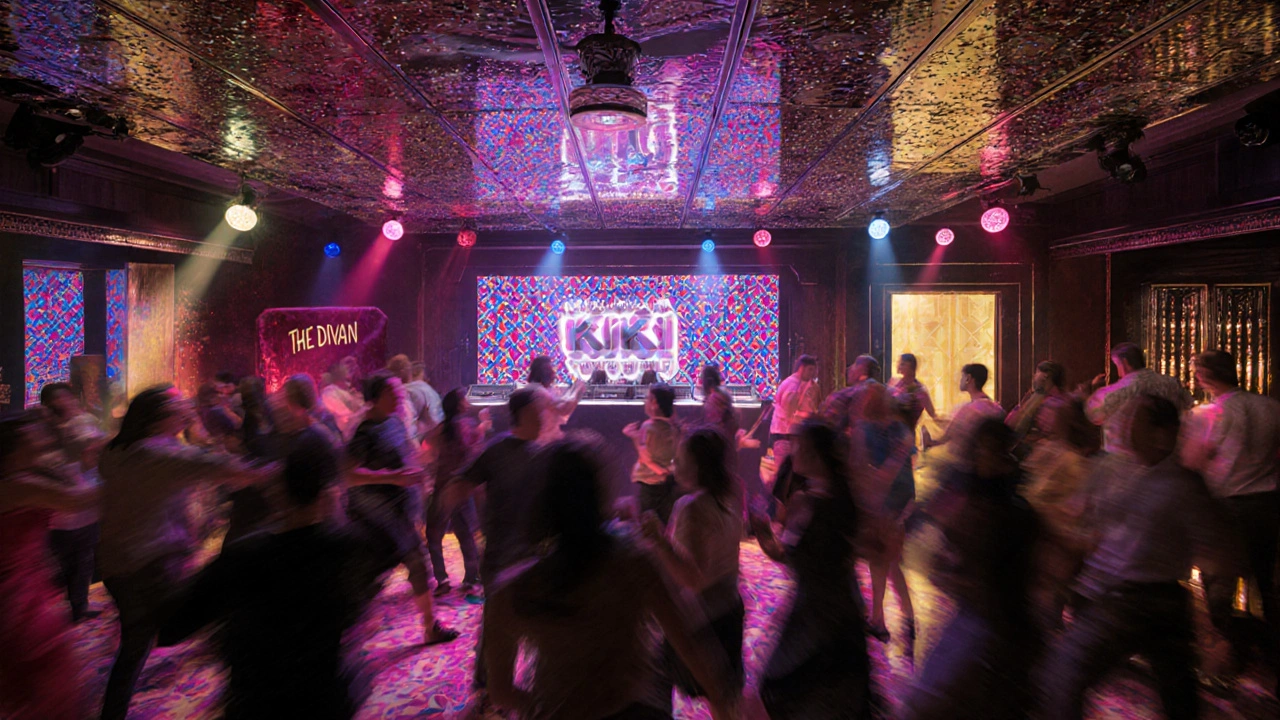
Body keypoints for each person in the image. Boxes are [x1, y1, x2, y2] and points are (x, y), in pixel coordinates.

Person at [483, 437, 740, 720]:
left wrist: (542, 709)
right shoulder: (635, 563)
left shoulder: (509, 591)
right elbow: (693, 647)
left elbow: (500, 691)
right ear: (599, 495)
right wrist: (723, 698)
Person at [156, 430, 381, 720]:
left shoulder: (242, 555)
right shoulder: (350, 548)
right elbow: (358, 618)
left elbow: (172, 626)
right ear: (330, 492)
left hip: (257, 703)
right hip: (325, 700)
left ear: (278, 494)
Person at [1041, 395, 1215, 720]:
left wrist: (1212, 635)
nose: (1121, 423)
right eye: (1122, 417)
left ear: (1161, 433)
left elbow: (1217, 556)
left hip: (1144, 598)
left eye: (1133, 418)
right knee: (1176, 688)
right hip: (1108, 591)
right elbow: (1079, 519)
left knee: (1064, 675)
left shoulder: (1183, 484)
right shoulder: (1108, 467)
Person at [97, 386, 265, 720]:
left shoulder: (116, 450)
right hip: (149, 567)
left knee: (134, 646)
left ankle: (111, 714)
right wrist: (272, 473)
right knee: (225, 611)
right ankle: (245, 694)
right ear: (159, 417)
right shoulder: (157, 454)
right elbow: (217, 466)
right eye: (178, 405)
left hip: (117, 567)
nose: (186, 408)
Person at [902, 420, 1040, 720]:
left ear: (1005, 454)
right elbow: (931, 532)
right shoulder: (968, 491)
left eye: (990, 449)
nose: (982, 455)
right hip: (977, 617)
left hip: (1000, 624)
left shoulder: (1014, 511)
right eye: (977, 447)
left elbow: (1006, 576)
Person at [750, 420, 878, 720]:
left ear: (817, 454)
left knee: (784, 695)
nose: (793, 452)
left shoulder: (808, 503)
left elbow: (787, 556)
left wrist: (763, 532)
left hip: (815, 617)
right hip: (840, 612)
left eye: (800, 446)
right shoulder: (843, 500)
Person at [1181, 349, 1280, 694]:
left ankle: (1226, 664)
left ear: (1205, 375)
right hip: (1267, 505)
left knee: (1220, 588)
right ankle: (1272, 656)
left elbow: (1192, 461)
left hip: (1225, 507)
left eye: (1197, 372)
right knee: (1266, 584)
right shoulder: (1271, 407)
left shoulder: (1206, 414)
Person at [345, 371, 457, 646]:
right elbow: (348, 475)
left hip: (400, 513)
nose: (399, 397)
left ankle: (429, 627)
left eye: (399, 392)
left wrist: (420, 468)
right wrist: (392, 477)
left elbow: (406, 457)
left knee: (406, 568)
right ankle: (348, 627)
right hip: (376, 516)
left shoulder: (394, 421)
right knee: (384, 572)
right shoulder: (364, 431)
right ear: (374, 399)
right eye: (392, 393)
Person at [0, 411, 98, 720]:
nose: (42, 433)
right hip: (18, 591)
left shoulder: (24, 477)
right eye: (33, 431)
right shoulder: (18, 483)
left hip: (25, 582)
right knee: (47, 675)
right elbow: (79, 501)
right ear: (16, 445)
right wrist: (133, 474)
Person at [640, 428, 745, 702]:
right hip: (731, 609)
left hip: (699, 619)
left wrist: (658, 540)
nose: (675, 464)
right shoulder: (731, 493)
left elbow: (692, 578)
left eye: (681, 458)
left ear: (697, 465)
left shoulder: (691, 507)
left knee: (656, 687)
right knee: (723, 694)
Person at [850, 382, 917, 646]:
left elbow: (859, 467)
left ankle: (879, 619)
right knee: (891, 561)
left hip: (879, 502)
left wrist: (867, 498)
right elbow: (906, 467)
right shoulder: (901, 429)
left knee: (880, 561)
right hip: (902, 502)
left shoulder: (864, 429)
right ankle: (904, 617)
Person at [1022, 399, 1097, 631]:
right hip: (1043, 537)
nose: (1042, 416)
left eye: (1049, 412)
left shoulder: (1072, 460)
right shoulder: (1046, 449)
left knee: (1048, 603)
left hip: (1057, 542)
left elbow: (1075, 507)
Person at [425, 388, 485, 596]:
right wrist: (484, 425)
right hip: (460, 488)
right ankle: (471, 579)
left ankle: (442, 579)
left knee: (433, 535)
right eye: (464, 399)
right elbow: (474, 454)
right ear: (460, 405)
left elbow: (429, 453)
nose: (467, 401)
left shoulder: (442, 429)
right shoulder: (467, 426)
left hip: (442, 487)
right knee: (466, 535)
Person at [1085, 342, 1191, 455]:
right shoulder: (1171, 383)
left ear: (1124, 363)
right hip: (1167, 453)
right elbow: (1188, 406)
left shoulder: (1115, 392)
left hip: (1128, 459)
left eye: (1117, 365)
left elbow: (1093, 414)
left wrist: (1093, 391)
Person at [624, 383, 680, 525]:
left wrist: (635, 437)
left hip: (650, 486)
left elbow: (645, 457)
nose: (645, 401)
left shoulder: (648, 426)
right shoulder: (674, 427)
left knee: (648, 526)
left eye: (647, 398)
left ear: (654, 403)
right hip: (668, 486)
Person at [922, 363, 1003, 454]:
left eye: (962, 377)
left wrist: (929, 442)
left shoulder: (969, 410)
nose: (960, 380)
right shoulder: (994, 406)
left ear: (968, 378)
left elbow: (947, 437)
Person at [1006, 360, 1068, 456]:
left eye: (1036, 373)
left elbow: (1012, 426)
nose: (1034, 377)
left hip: (1042, 456)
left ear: (1045, 376)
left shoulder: (1050, 403)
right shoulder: (1038, 397)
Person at [770, 355, 821, 470]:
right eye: (810, 370)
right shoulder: (791, 386)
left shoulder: (811, 386)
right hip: (784, 434)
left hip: (797, 435)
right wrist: (808, 417)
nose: (813, 373)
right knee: (784, 469)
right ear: (801, 368)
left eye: (814, 370)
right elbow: (789, 413)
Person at [528, 355, 586, 444]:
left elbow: (562, 404)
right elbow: (563, 409)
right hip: (543, 443)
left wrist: (576, 389)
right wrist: (577, 391)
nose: (552, 373)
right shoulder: (537, 391)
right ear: (538, 373)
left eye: (551, 369)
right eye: (547, 370)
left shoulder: (550, 389)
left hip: (553, 439)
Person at [820, 354, 881, 433]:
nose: (849, 368)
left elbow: (829, 419)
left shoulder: (852, 393)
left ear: (862, 369)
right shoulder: (880, 391)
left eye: (855, 364)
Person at [891, 353, 938, 438]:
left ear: (911, 366)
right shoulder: (895, 383)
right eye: (899, 363)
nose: (899, 366)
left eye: (902, 364)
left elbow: (932, 413)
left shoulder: (919, 391)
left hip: (906, 435)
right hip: (891, 433)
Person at [322, 357, 365, 440]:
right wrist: (364, 410)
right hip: (349, 438)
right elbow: (346, 420)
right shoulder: (329, 393)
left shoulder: (347, 391)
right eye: (348, 368)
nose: (350, 372)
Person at [700, 363, 740, 446]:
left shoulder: (714, 399)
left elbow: (714, 425)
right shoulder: (722, 394)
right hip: (725, 442)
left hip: (719, 444)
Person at [405, 361, 444, 444]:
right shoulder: (431, 391)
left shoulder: (412, 390)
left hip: (421, 440)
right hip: (434, 438)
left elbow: (410, 423)